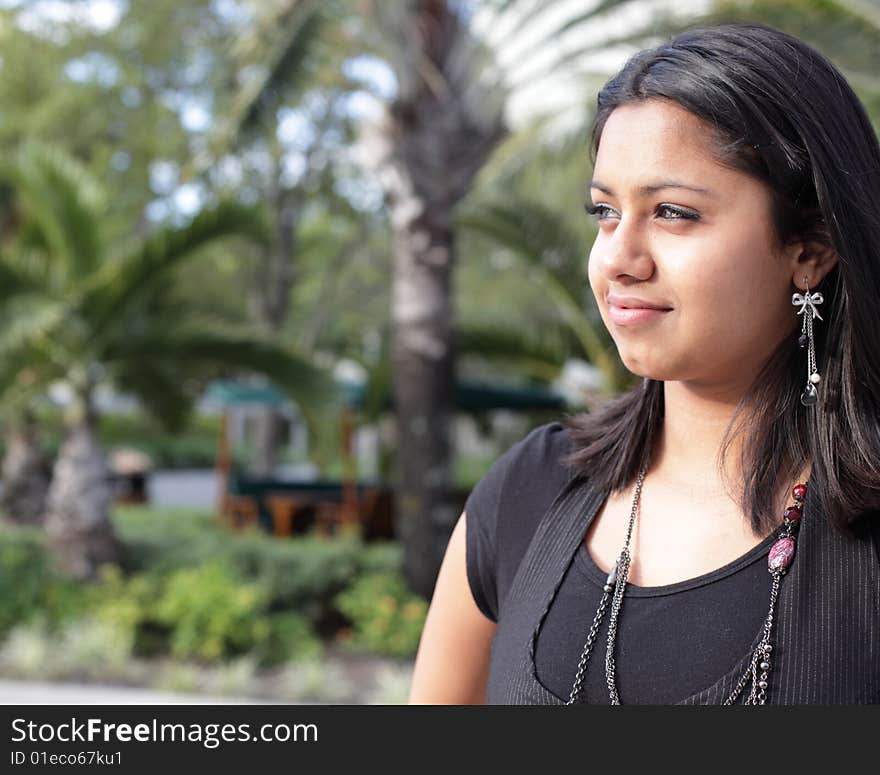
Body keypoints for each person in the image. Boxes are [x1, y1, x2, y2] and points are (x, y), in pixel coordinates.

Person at [407, 21, 880, 705]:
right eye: (604, 211)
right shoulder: (529, 492)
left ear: (809, 247)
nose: (620, 258)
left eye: (673, 212)